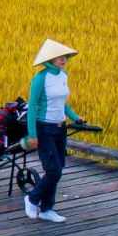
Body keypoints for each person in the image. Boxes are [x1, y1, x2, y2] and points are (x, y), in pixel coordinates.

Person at [22, 39, 84, 223]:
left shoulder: (63, 76)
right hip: (44, 128)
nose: (63, 59)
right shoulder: (40, 79)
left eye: (64, 56)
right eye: (59, 57)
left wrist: (75, 117)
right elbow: (32, 107)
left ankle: (47, 208)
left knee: (58, 168)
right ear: (50, 59)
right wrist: (32, 134)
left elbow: (62, 103)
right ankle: (32, 198)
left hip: (60, 128)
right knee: (53, 170)